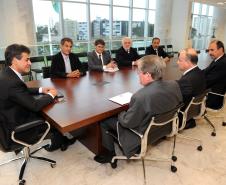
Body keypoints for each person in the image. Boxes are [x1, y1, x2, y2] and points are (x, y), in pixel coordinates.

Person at [94, 55, 182, 163]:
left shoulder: (141, 96)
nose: (138, 75)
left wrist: (121, 113)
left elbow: (127, 122)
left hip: (142, 134)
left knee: (104, 121)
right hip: (163, 129)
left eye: (139, 72)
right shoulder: (174, 85)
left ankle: (109, 154)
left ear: (148, 75)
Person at [0, 44, 75, 151]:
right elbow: (34, 106)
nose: (30, 63)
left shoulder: (6, 74)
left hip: (7, 119)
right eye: (27, 60)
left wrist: (40, 90)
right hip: (17, 127)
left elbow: (20, 91)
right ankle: (59, 143)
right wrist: (51, 95)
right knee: (53, 117)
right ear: (14, 60)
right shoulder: (12, 82)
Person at [176, 48, 206, 129]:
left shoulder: (186, 80)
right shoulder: (200, 72)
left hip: (182, 117)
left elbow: (178, 101)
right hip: (193, 112)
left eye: (179, 60)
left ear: (188, 62)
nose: (177, 62)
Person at [203, 40, 226, 109]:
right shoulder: (218, 59)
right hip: (211, 91)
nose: (209, 53)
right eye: (209, 50)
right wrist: (195, 73)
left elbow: (207, 81)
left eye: (212, 50)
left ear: (221, 49)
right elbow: (206, 70)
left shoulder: (222, 63)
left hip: (213, 98)